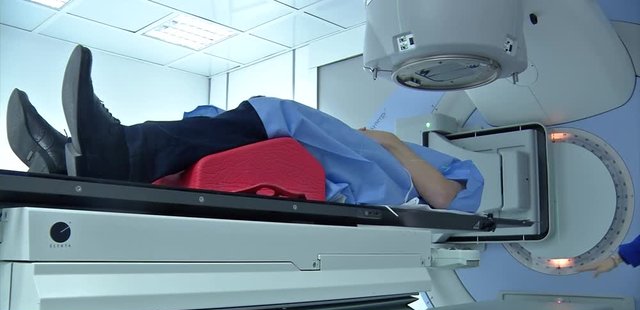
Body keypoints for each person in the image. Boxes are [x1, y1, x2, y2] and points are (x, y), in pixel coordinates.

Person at [6, 45, 483, 211]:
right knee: (216, 119)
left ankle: (122, 151)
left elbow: (442, 198)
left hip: (385, 183)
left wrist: (393, 143)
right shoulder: (416, 151)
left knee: (280, 115)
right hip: (370, 166)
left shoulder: (470, 177)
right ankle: (68, 159)